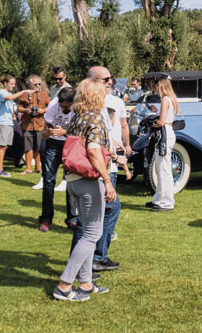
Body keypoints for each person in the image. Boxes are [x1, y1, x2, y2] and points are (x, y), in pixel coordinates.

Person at [53, 78, 115, 301]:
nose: (107, 92)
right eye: (104, 90)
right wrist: (107, 180)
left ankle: (86, 283)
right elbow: (93, 151)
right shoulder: (96, 118)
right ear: (96, 96)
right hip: (89, 180)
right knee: (92, 234)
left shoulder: (77, 117)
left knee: (87, 231)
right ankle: (64, 284)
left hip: (73, 180)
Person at [71, 66, 131, 271]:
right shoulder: (92, 114)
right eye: (105, 80)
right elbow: (94, 148)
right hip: (94, 171)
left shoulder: (82, 112)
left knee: (90, 221)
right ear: (93, 84)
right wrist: (107, 178)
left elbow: (98, 139)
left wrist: (115, 145)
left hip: (85, 172)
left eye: (110, 78)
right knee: (93, 222)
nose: (110, 82)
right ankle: (83, 266)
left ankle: (87, 270)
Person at [38, 87, 75, 232]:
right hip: (53, 144)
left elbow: (80, 130)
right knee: (48, 181)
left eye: (67, 107)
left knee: (71, 181)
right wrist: (47, 133)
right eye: (62, 106)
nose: (64, 109)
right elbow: (46, 128)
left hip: (70, 144)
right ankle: (46, 218)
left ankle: (72, 219)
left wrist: (64, 132)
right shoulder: (54, 105)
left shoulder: (79, 106)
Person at [149, 75, 178, 211]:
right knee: (162, 167)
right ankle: (159, 198)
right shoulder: (171, 99)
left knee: (163, 169)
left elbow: (160, 122)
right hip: (169, 131)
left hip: (164, 133)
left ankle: (166, 201)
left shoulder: (165, 99)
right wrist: (156, 111)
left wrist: (151, 124)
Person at [0, 75, 28, 177]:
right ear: (5, 83)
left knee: (5, 146)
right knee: (2, 146)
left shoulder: (9, 93)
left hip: (9, 123)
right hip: (3, 123)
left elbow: (13, 107)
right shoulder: (2, 93)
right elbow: (10, 98)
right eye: (11, 84)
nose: (13, 86)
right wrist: (22, 92)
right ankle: (0, 169)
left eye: (14, 84)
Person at [16, 75, 49, 177]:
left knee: (39, 147)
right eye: (35, 84)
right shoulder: (24, 95)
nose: (37, 86)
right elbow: (18, 108)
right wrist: (26, 110)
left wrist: (42, 111)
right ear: (30, 84)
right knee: (28, 147)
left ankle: (38, 167)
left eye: (39, 84)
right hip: (28, 125)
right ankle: (28, 168)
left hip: (40, 124)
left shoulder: (44, 95)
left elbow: (50, 107)